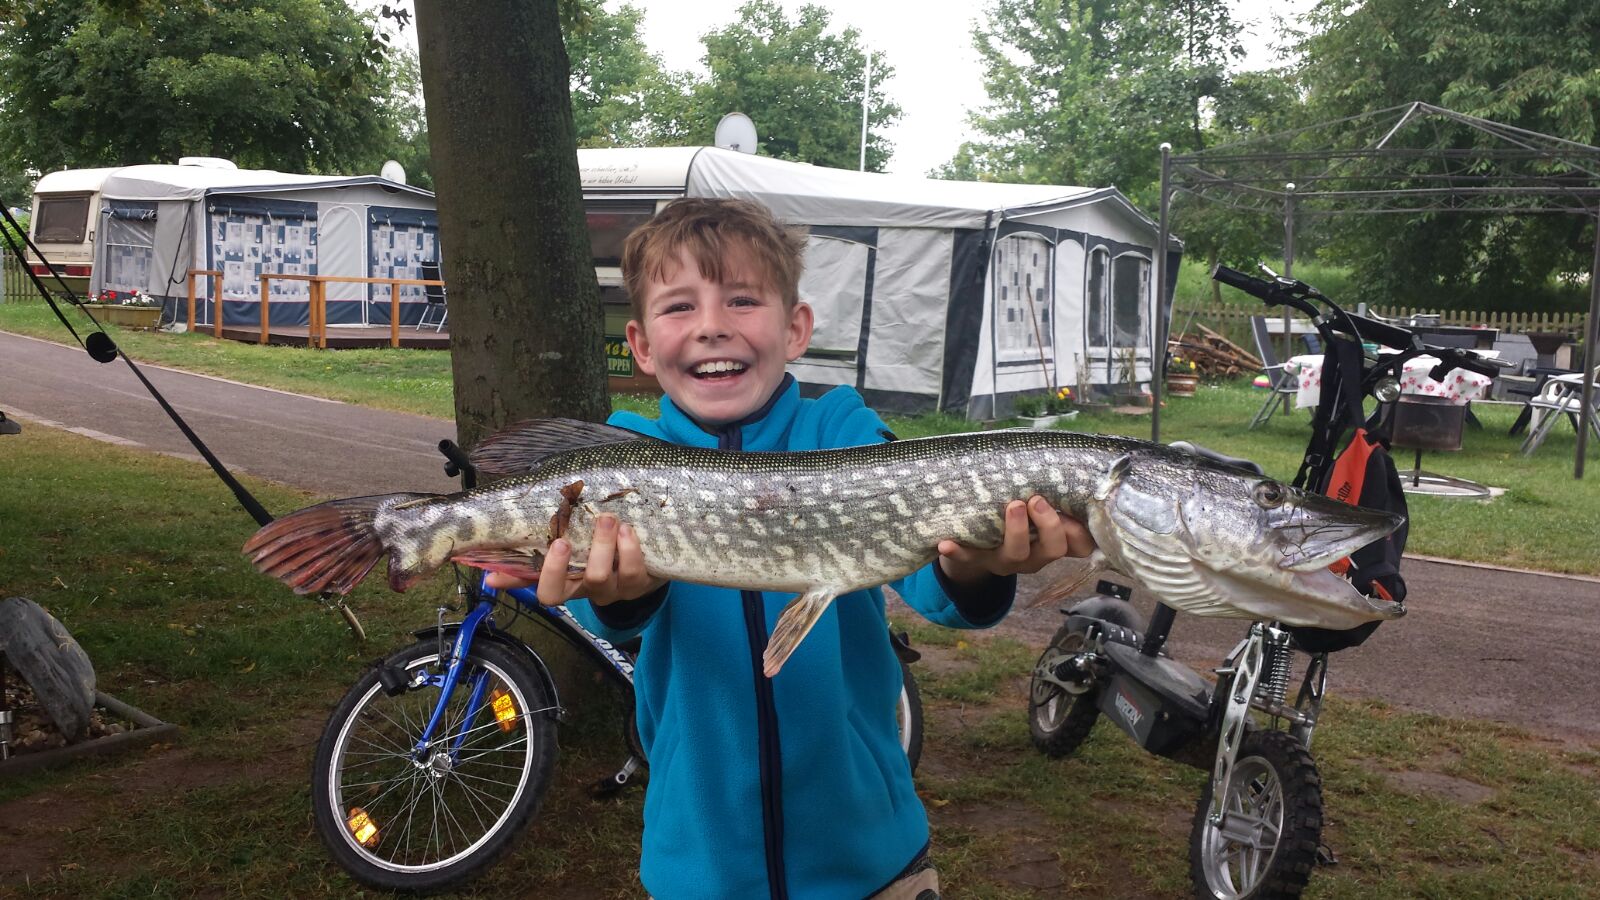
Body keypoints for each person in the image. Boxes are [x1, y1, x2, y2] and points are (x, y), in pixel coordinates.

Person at [487, 197, 1095, 899]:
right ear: (643, 345)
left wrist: (974, 562)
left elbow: (935, 582)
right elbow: (611, 614)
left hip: (873, 863)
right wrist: (624, 596)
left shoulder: (842, 431)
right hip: (701, 870)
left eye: (743, 300)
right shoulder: (625, 455)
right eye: (680, 307)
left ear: (795, 328)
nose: (713, 327)